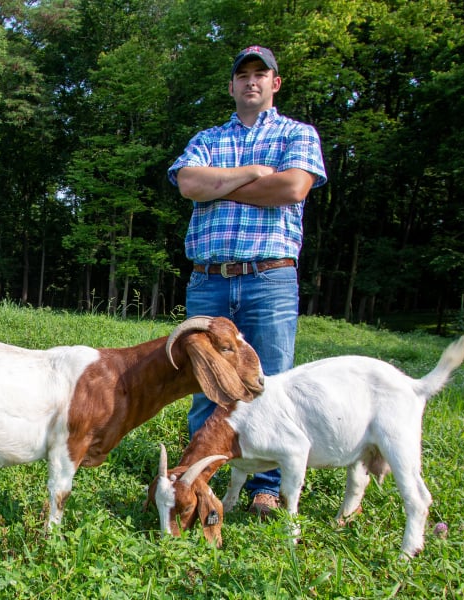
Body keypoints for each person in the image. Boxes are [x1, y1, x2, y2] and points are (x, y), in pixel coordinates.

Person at [167, 45, 327, 517]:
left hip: (269, 278)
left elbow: (293, 188)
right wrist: (255, 174)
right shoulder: (208, 137)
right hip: (210, 279)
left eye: (262, 74)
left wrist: (225, 186)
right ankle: (199, 480)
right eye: (243, 75)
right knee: (205, 383)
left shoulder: (298, 134)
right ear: (232, 86)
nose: (251, 81)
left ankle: (266, 485)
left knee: (268, 383)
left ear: (275, 83)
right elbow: (189, 184)